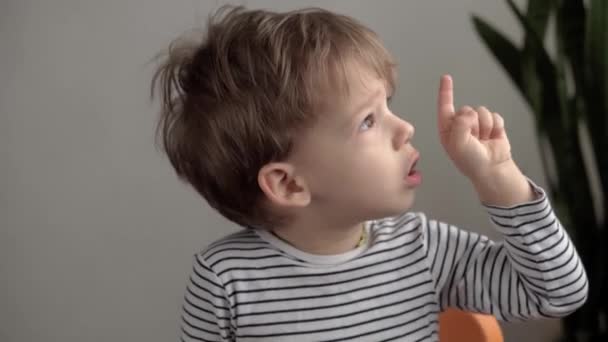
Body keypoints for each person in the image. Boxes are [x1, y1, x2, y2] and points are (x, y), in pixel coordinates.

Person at [150, 6, 588, 341]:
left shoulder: (424, 248)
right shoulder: (225, 280)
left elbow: (558, 292)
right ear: (289, 184)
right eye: (368, 121)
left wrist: (498, 177)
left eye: (388, 106)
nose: (405, 129)